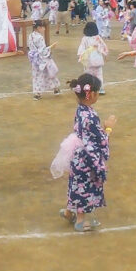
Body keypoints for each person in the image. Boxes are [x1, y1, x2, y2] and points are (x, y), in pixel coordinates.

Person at [55, 73, 114, 232]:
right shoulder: (91, 116)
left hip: (77, 156)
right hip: (87, 159)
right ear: (91, 94)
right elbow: (100, 140)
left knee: (75, 184)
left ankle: (69, 212)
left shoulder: (80, 110)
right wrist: (108, 128)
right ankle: (80, 221)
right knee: (85, 188)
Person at [27, 20, 60, 100]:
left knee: (37, 76)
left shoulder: (30, 36)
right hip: (42, 59)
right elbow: (43, 51)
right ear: (38, 27)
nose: (44, 29)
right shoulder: (40, 37)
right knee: (50, 73)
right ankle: (55, 88)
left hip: (34, 59)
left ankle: (37, 93)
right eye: (43, 27)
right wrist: (51, 47)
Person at [77, 21, 108, 95]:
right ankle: (100, 89)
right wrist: (105, 54)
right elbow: (103, 46)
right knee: (99, 75)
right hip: (98, 59)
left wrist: (80, 56)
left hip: (89, 60)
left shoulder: (85, 39)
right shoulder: (98, 37)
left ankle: (88, 89)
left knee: (88, 75)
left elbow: (81, 48)